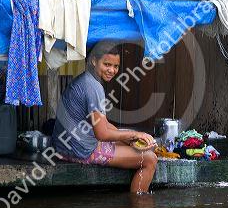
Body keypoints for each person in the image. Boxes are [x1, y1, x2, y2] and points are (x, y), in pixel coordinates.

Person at [51, 41, 158, 193]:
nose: (112, 70)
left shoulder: (86, 80)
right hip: (79, 151)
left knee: (135, 144)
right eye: (107, 64)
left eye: (115, 66)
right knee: (149, 158)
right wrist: (135, 134)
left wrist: (128, 139)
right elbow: (102, 133)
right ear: (94, 61)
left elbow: (103, 124)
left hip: (64, 147)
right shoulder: (94, 87)